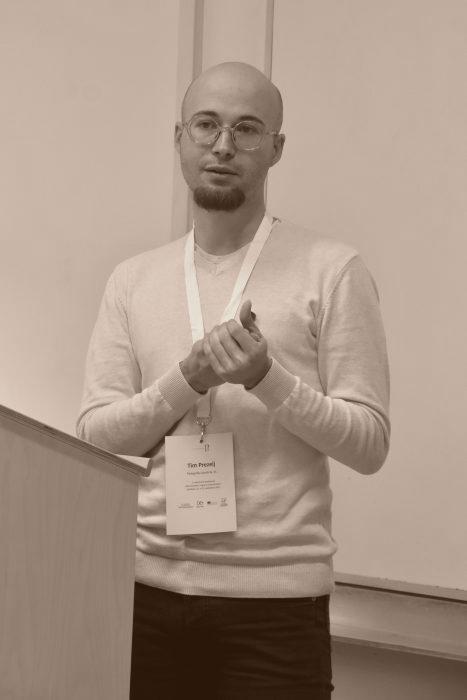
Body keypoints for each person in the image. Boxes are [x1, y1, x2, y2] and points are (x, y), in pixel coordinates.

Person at [77, 61, 390, 699]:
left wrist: (267, 378)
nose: (223, 145)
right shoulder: (133, 280)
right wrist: (187, 380)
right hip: (147, 594)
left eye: (247, 129)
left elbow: (369, 443)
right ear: (180, 138)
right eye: (206, 125)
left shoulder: (333, 270)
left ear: (276, 148)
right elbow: (97, 435)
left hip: (277, 607)